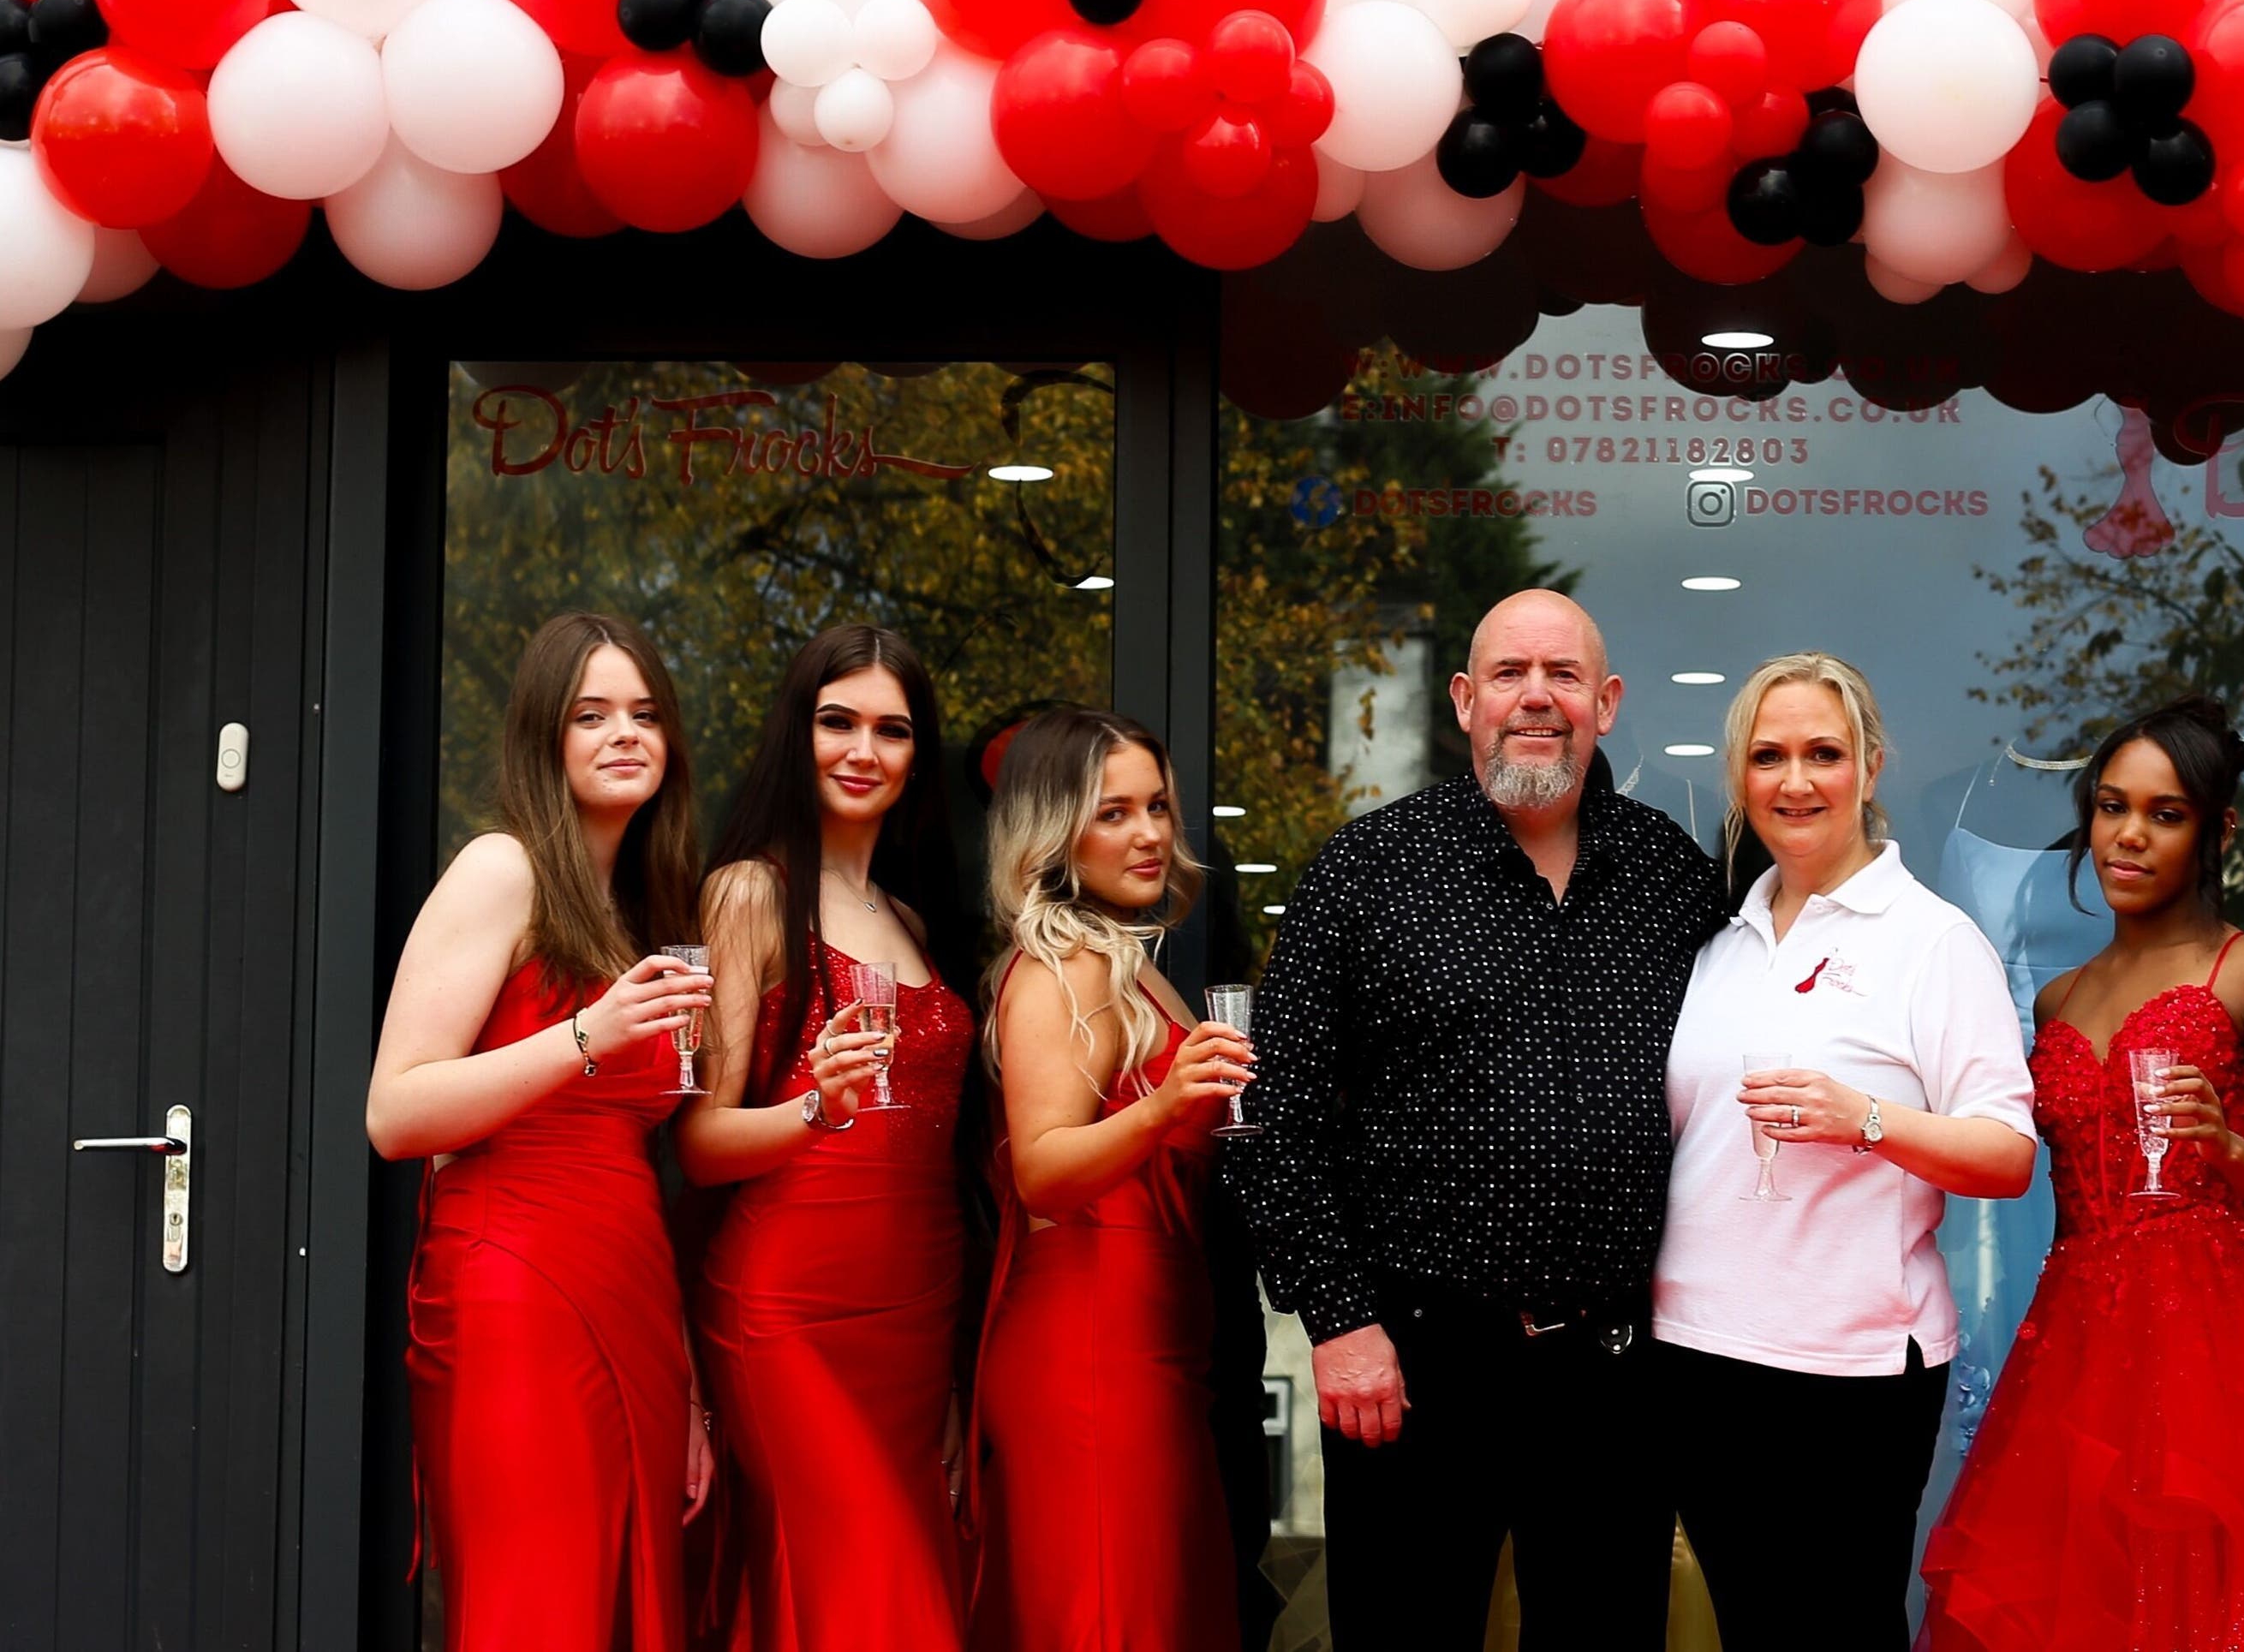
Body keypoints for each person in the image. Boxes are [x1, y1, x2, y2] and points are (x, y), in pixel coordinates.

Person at [1226, 588, 1726, 1652]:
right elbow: (1276, 1117)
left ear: (1608, 701)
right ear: (1463, 700)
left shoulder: (1674, 880)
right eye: (1508, 673)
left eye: (1562, 675)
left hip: (1612, 1370)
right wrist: (1338, 1320)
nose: (1536, 697)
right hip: (1412, 1364)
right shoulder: (1368, 872)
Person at [1923, 694, 2244, 1651]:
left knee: (2222, 1598)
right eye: (2112, 805)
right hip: (2078, 1335)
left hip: (2226, 1341)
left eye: (2165, 814)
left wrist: (2231, 1148)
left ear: (2219, 828)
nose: (2129, 835)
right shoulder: (2056, 995)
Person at [1657, 653, 2036, 1652]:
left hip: (1854, 1365)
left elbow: (2007, 1153)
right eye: (1769, 755)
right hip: (1698, 1351)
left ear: (1870, 767)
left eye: (1824, 752)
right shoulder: (1720, 941)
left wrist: (1865, 1116)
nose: (1796, 780)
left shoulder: (1934, 939)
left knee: (1836, 1632)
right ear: (1741, 776)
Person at [367, 612, 714, 1652]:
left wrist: (691, 1375)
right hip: (512, 1282)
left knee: (627, 1597)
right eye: (591, 713)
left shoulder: (647, 905)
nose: (625, 733)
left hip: (633, 1287)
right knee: (538, 1600)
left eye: (646, 713)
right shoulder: (501, 868)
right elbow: (395, 1111)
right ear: (542, 737)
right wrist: (586, 1035)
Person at [679, 626, 973, 1652]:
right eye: (837, 720)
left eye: (891, 729)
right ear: (794, 734)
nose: (863, 749)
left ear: (916, 756)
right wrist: (813, 1107)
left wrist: (947, 1378)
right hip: (787, 1311)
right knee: (874, 1601)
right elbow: (698, 1140)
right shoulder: (750, 893)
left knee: (875, 1595)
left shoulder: (912, 920)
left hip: (916, 1316)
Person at [971, 707, 1251, 1652]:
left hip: (1154, 1334)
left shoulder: (1133, 962)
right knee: (1106, 1615)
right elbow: (1044, 1166)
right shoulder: (1063, 962)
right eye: (1114, 812)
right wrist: (1166, 1105)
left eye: (1159, 806)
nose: (1150, 833)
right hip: (1090, 1339)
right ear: (1056, 831)